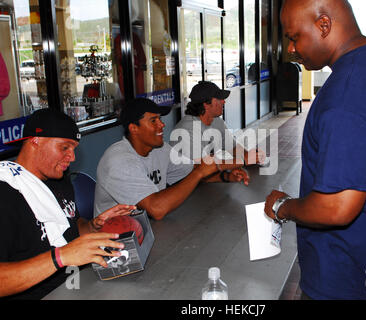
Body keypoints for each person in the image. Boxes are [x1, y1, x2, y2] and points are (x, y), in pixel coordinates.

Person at [265, 0, 366, 299]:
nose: (290, 49)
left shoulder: (347, 92)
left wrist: (283, 207)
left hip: (353, 278)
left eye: (294, 37)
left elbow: (336, 207)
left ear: (324, 25)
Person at [0, 109, 136, 300]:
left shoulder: (57, 178)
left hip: (78, 284)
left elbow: (72, 227)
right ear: (35, 141)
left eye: (74, 149)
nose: (72, 157)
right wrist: (60, 257)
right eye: (65, 147)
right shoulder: (6, 193)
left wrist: (93, 225)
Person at [94, 98, 250, 220]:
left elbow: (192, 171)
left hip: (149, 229)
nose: (162, 125)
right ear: (133, 128)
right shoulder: (119, 161)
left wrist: (226, 176)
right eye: (153, 121)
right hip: (116, 240)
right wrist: (201, 172)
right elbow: (157, 209)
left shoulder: (160, 148)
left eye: (160, 119)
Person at [169, 81, 265, 165]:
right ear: (206, 104)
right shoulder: (187, 130)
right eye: (219, 99)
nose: (224, 102)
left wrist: (250, 155)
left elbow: (232, 147)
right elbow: (201, 167)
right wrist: (243, 161)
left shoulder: (216, 121)